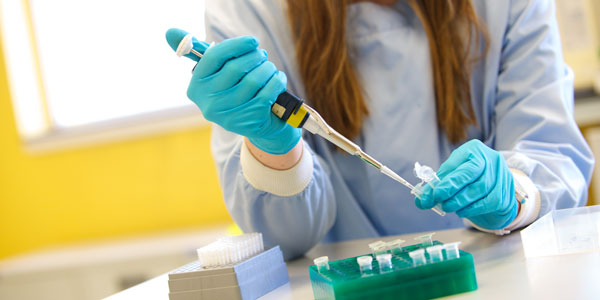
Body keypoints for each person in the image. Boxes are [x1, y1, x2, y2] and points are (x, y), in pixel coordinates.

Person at [185, 0, 595, 259]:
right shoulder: (248, 11)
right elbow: (286, 239)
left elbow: (550, 148)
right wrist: (273, 146)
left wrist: (515, 193)